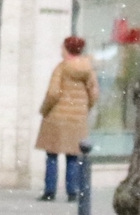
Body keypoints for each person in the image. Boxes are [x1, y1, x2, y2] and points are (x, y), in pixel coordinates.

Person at [36, 35, 99, 201]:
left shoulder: (61, 68)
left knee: (52, 155)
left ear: (67, 49)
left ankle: (50, 191)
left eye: (62, 48)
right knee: (73, 156)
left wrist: (44, 109)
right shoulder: (88, 70)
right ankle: (72, 192)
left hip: (57, 117)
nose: (61, 51)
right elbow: (94, 94)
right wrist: (84, 108)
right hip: (77, 119)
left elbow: (53, 93)